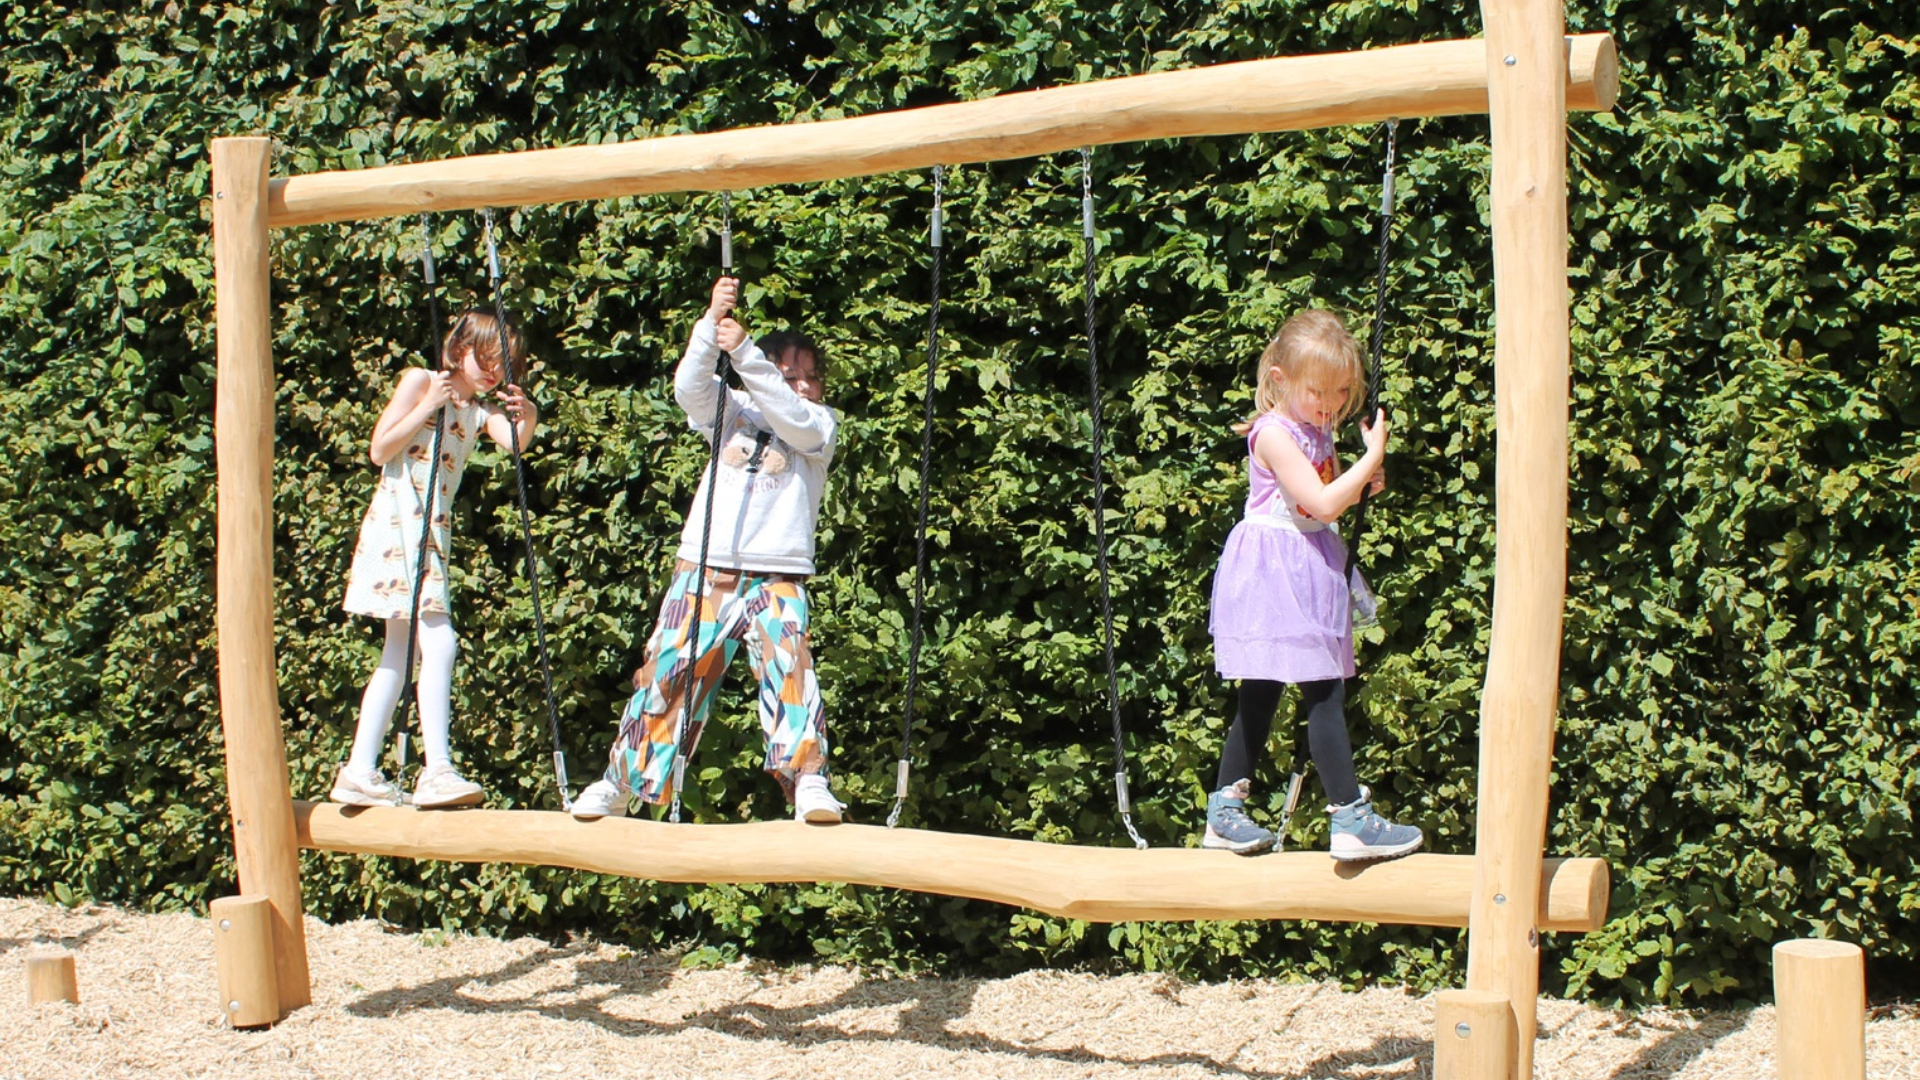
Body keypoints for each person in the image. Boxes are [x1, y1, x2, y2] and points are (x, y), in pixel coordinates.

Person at [570, 275, 842, 823]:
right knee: (669, 670)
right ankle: (623, 781)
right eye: (793, 375)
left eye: (812, 378)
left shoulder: (819, 423)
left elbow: (794, 419)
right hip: (706, 568)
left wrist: (743, 351)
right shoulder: (733, 412)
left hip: (776, 575)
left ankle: (807, 779)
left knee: (789, 667)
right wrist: (709, 328)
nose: (805, 386)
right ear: (762, 375)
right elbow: (690, 388)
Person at [1202, 309, 1422, 861]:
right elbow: (1321, 502)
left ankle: (1224, 811)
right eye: (1317, 391)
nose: (1330, 403)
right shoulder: (1274, 433)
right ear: (1280, 380)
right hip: (1276, 571)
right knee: (1321, 689)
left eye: (1342, 391)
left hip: (1308, 561)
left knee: (1265, 691)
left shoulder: (1316, 429)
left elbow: (1324, 501)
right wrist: (1372, 455)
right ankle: (1349, 818)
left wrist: (1362, 485)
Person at [331, 311, 539, 810]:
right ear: (459, 347)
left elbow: (513, 444)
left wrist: (526, 413)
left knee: (398, 656)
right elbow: (380, 449)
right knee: (439, 644)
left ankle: (360, 769)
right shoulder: (422, 381)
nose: (493, 371)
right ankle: (437, 769)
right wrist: (428, 402)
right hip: (400, 525)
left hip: (431, 533)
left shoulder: (477, 410)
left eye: (503, 364)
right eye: (485, 358)